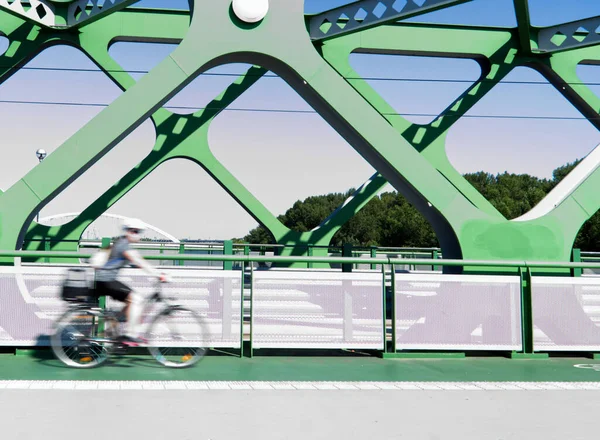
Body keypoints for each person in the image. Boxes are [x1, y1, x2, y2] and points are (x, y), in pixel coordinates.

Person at [93, 218, 167, 345]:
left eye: (138, 232)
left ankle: (113, 327)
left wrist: (143, 268)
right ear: (128, 231)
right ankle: (130, 334)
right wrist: (158, 274)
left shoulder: (121, 242)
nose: (138, 235)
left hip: (105, 280)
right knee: (137, 299)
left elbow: (133, 261)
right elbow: (138, 260)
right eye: (136, 232)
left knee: (131, 301)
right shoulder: (123, 246)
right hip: (106, 281)